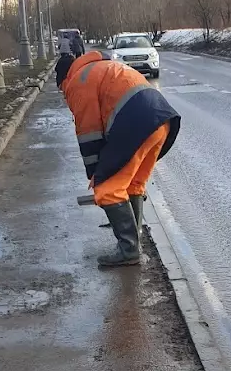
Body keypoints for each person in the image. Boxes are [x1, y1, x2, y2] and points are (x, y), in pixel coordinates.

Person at [56, 49, 180, 268]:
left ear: (64, 79)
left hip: (136, 123)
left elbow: (89, 132)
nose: (65, 95)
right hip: (162, 120)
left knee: (107, 189)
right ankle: (134, 240)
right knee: (132, 184)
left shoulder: (78, 82)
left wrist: (96, 174)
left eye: (62, 91)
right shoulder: (101, 68)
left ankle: (129, 250)